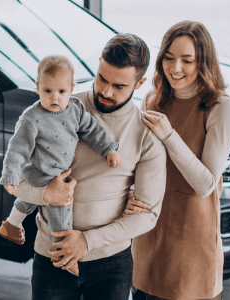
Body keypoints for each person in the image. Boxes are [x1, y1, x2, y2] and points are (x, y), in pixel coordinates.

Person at [12, 34, 166, 300]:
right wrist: (45, 194)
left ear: (139, 84)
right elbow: (16, 181)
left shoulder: (146, 135)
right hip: (52, 255)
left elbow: (148, 215)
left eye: (119, 86)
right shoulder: (57, 105)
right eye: (102, 79)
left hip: (111, 264)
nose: (106, 92)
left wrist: (87, 241)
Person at [125, 21, 230, 300]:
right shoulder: (152, 100)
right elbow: (138, 162)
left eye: (187, 60)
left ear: (203, 62)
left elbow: (206, 184)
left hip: (191, 242)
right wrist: (129, 192)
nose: (176, 68)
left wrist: (169, 135)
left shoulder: (220, 107)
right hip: (148, 233)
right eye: (169, 58)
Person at [0, 55, 123, 277]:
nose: (54, 97)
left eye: (61, 91)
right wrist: (10, 174)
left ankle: (11, 224)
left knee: (31, 200)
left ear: (72, 89)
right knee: (61, 206)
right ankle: (61, 254)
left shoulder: (75, 109)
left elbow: (92, 129)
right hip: (40, 172)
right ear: (38, 87)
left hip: (55, 171)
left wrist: (108, 149)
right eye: (48, 91)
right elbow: (18, 149)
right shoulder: (32, 118)